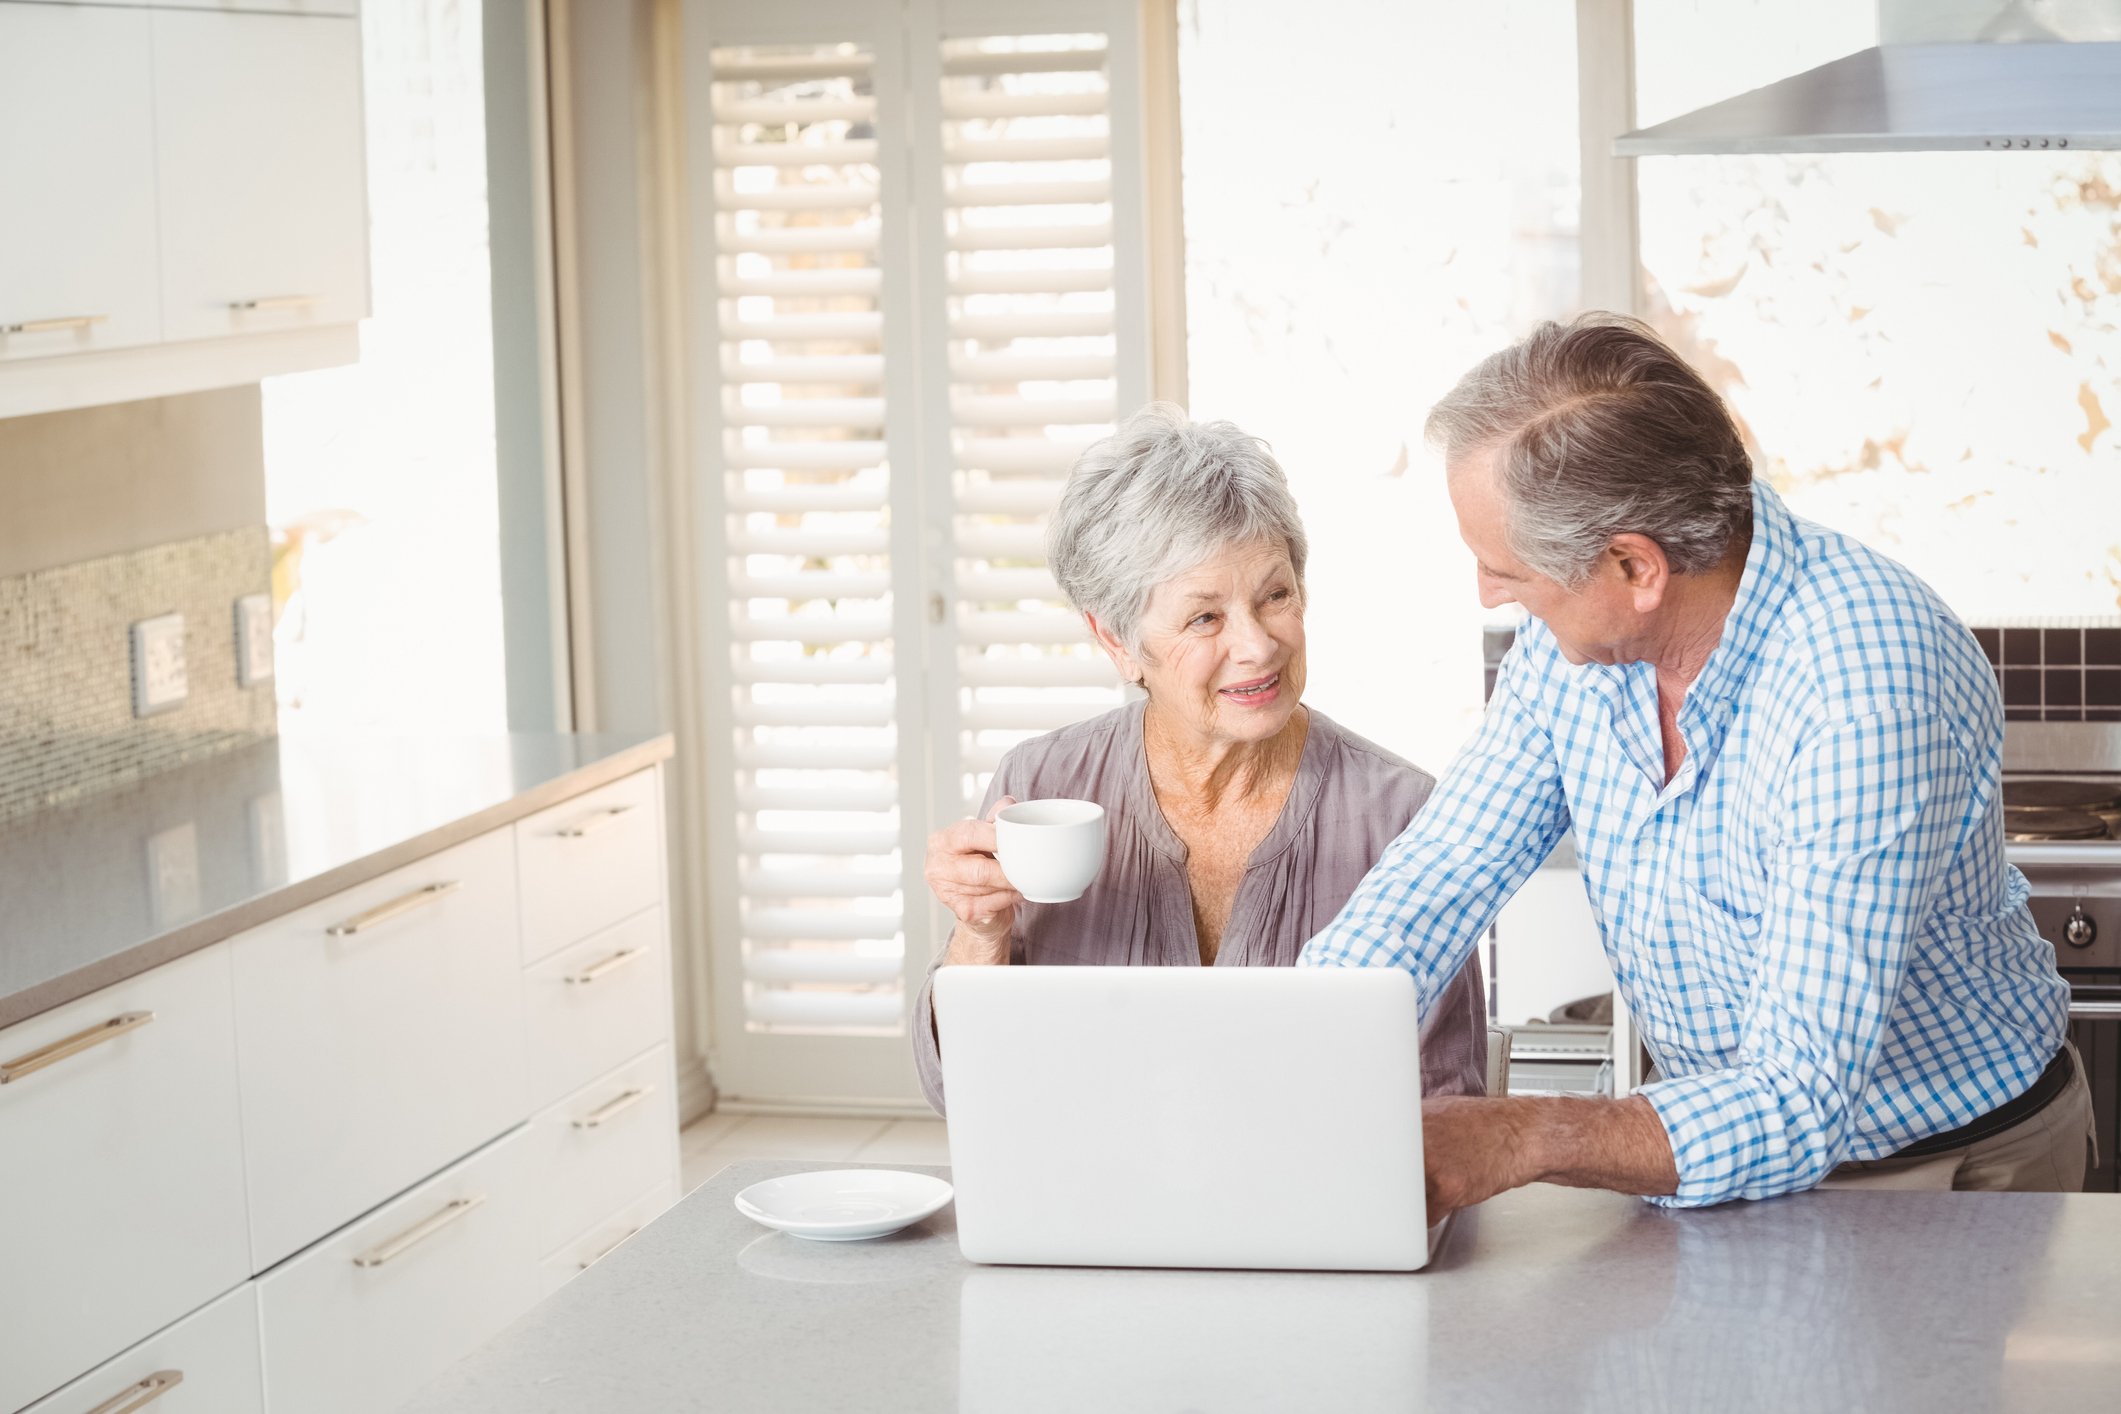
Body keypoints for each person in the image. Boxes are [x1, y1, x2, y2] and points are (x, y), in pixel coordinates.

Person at [1304, 313, 2086, 1210]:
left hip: (1946, 1167)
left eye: (1508, 569)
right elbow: (1440, 873)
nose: (1489, 592)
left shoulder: (1862, 684)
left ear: (1634, 567)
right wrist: (1293, 1057)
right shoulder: (1571, 658)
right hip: (1728, 1154)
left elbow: (1796, 1096)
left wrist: (1522, 1132)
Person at [913, 404, 1487, 1113]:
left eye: (1275, 595)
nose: (1258, 645)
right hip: (1090, 1202)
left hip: (1316, 1211)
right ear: (1118, 641)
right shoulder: (1042, 786)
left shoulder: (1397, 816)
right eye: (1205, 617)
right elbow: (962, 1090)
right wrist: (980, 931)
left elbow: (1449, 1100)